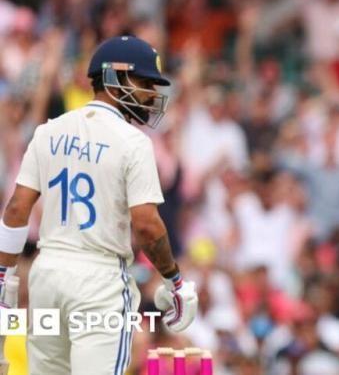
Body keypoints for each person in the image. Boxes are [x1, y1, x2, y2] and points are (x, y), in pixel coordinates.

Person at [0, 35, 199, 375]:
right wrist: (175, 282)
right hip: (99, 281)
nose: (152, 94)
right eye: (145, 83)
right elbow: (147, 225)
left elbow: (16, 209)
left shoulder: (48, 131)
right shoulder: (133, 143)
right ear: (113, 78)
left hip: (47, 277)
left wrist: (4, 275)